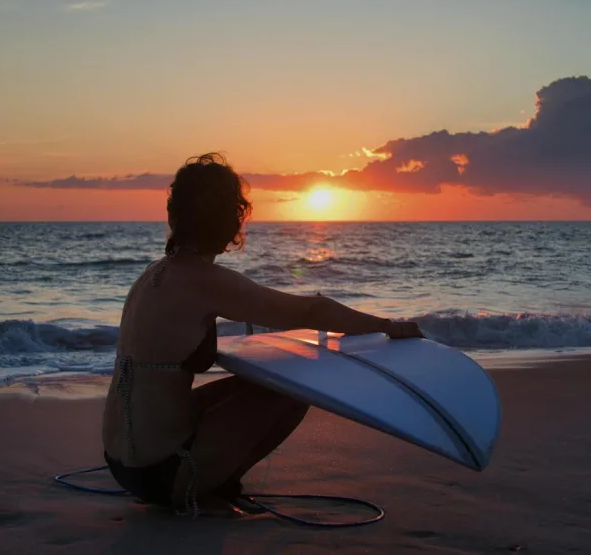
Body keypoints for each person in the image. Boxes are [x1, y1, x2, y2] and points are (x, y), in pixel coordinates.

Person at [101, 153, 424, 517]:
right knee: (296, 387)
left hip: (121, 464)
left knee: (251, 387)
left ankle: (215, 480)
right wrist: (387, 326)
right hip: (166, 474)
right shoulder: (204, 280)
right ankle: (220, 483)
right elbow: (310, 311)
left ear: (175, 213)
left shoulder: (152, 276)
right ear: (229, 219)